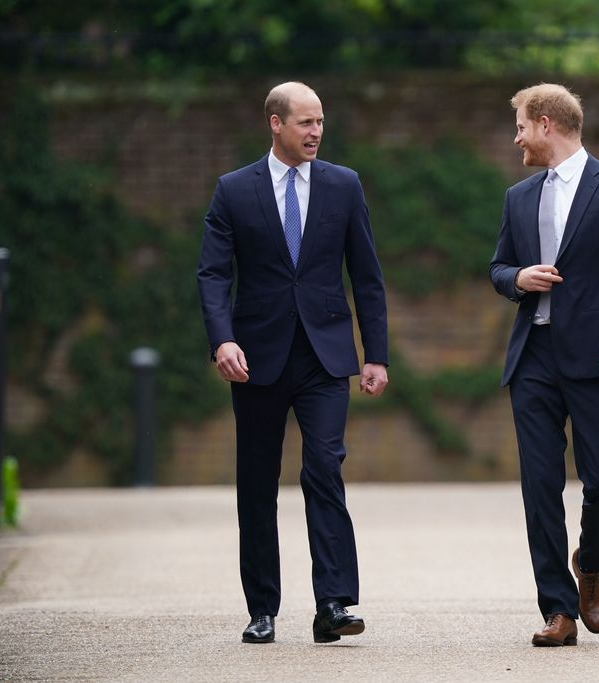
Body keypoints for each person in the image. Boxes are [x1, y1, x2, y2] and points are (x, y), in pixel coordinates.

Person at [197, 81, 389, 645]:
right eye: (305, 122)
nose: (316, 132)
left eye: (321, 121)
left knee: (324, 468)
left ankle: (332, 602)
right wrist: (222, 340)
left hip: (325, 356)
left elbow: (368, 276)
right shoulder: (233, 190)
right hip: (255, 358)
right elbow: (212, 274)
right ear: (275, 124)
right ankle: (262, 608)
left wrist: (374, 353)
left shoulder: (344, 185)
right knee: (257, 482)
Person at [489, 83, 599, 647]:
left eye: (519, 127)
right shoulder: (517, 197)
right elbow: (497, 267)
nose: (516, 138)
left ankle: (591, 558)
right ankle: (558, 610)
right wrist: (517, 278)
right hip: (533, 357)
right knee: (539, 486)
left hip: (598, 356)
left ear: (544, 124)